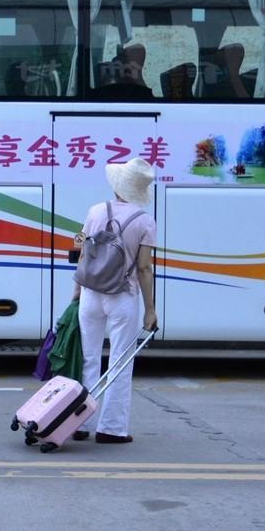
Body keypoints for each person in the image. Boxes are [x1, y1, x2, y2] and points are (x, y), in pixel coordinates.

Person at [72, 158, 159, 445]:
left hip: (91, 294)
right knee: (120, 362)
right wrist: (150, 309)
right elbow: (144, 268)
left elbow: (83, 253)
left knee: (89, 358)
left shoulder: (96, 211)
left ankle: (80, 423)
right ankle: (111, 428)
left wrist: (76, 292)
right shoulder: (145, 221)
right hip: (123, 296)